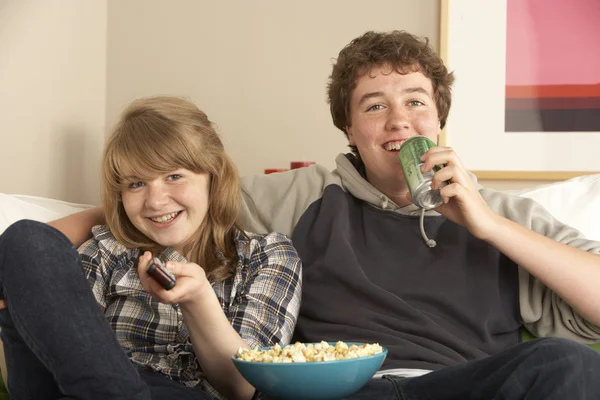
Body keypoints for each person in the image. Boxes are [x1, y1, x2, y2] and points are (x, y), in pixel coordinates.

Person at [50, 31, 600, 399]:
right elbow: (172, 203)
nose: (398, 122)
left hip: (457, 386)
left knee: (567, 365)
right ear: (349, 129)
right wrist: (49, 241)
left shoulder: (504, 215)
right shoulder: (304, 195)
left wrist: (486, 225)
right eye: (374, 105)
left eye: (415, 102)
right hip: (335, 391)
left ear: (439, 118)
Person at [0, 96, 302, 400]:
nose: (155, 202)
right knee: (24, 238)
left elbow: (245, 388)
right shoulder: (107, 249)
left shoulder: (267, 255)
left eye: (174, 176)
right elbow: (67, 349)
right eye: (136, 184)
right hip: (86, 388)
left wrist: (198, 300)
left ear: (214, 176)